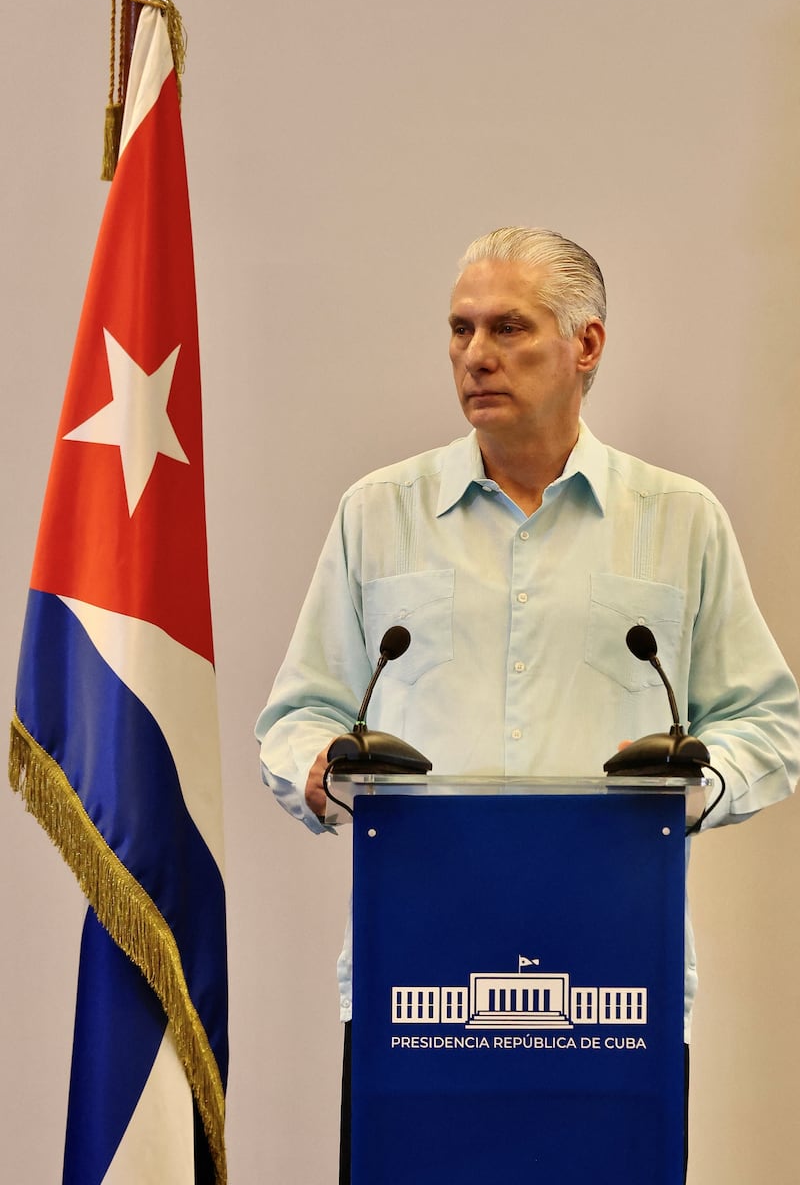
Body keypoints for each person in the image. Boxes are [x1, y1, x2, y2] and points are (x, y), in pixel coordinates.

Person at [255, 227, 800, 1181]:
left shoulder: (678, 520)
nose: (476, 355)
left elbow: (770, 722)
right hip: (414, 980)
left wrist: (699, 779)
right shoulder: (378, 514)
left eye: (509, 327)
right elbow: (299, 713)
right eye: (460, 330)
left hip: (612, 980)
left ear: (587, 344)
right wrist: (318, 766)